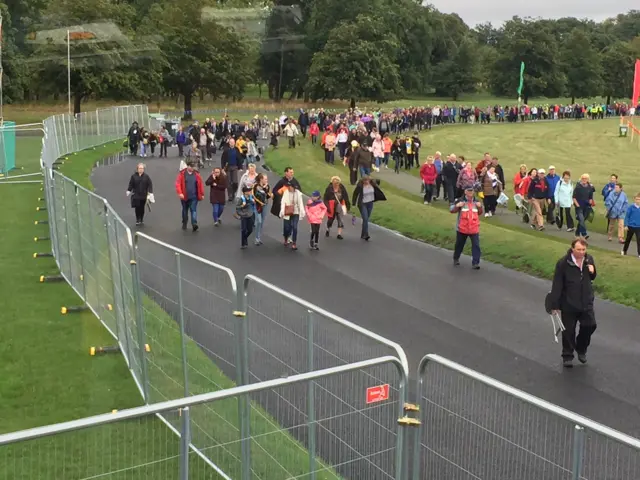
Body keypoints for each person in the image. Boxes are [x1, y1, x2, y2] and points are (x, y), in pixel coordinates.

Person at [547, 238, 597, 368]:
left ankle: (581, 348)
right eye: (579, 249)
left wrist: (593, 271)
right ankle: (567, 356)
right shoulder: (563, 263)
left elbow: (592, 277)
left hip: (586, 301)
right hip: (569, 303)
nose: (582, 252)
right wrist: (555, 305)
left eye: (584, 250)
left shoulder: (589, 259)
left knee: (590, 325)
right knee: (568, 331)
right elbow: (557, 284)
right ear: (572, 249)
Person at [450, 186, 483, 269]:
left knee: (476, 245)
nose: (471, 193)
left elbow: (479, 213)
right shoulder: (460, 200)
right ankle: (456, 258)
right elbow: (452, 210)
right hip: (462, 228)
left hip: (474, 228)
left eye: (472, 191)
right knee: (459, 245)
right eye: (469, 191)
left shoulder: (476, 201)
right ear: (465, 192)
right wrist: (457, 205)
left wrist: (480, 207)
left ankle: (475, 263)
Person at [352, 176, 386, 241]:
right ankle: (366, 234)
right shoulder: (360, 186)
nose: (366, 182)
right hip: (362, 204)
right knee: (365, 218)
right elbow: (355, 194)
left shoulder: (372, 184)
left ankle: (363, 234)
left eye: (367, 180)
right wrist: (354, 203)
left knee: (366, 219)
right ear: (363, 181)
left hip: (370, 203)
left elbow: (378, 181)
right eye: (365, 181)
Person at [175, 161, 205, 232]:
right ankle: (184, 222)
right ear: (187, 166)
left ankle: (194, 223)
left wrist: (202, 194)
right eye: (191, 166)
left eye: (193, 166)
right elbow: (178, 184)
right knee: (185, 210)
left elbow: (200, 185)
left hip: (194, 196)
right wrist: (180, 193)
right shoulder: (182, 174)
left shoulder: (197, 175)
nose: (192, 168)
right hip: (184, 196)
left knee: (193, 210)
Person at [279, 182, 305, 250]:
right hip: (287, 211)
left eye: (290, 186)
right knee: (286, 227)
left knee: (295, 227)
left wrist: (302, 212)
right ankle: (286, 238)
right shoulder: (286, 193)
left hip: (295, 212)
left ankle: (294, 243)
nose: (289, 188)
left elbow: (300, 204)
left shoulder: (298, 194)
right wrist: (282, 211)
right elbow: (283, 202)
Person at [324, 176, 350, 240]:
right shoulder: (329, 189)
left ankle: (339, 234)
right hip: (331, 206)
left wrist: (347, 206)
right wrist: (328, 207)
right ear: (332, 182)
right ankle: (328, 229)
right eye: (335, 183)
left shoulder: (341, 188)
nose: (336, 184)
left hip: (339, 206)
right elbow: (325, 199)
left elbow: (345, 196)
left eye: (337, 183)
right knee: (330, 220)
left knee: (340, 219)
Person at [572, 173, 595, 239]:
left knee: (582, 221)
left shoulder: (590, 187)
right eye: (583, 178)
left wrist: (590, 204)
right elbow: (574, 197)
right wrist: (577, 205)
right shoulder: (578, 187)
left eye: (586, 178)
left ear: (588, 179)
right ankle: (584, 234)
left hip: (586, 206)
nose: (584, 180)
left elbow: (590, 197)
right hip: (579, 206)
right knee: (581, 219)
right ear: (581, 179)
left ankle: (577, 234)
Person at [252, 173, 271, 246]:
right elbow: (254, 195)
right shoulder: (255, 186)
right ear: (261, 179)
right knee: (259, 221)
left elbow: (267, 196)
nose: (266, 180)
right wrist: (260, 202)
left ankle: (259, 238)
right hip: (257, 206)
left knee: (262, 222)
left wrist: (270, 195)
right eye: (265, 179)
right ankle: (256, 238)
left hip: (265, 205)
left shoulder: (267, 186)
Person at [622, 192, 640, 257]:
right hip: (631, 226)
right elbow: (627, 216)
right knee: (628, 239)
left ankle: (639, 254)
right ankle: (624, 251)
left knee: (639, 240)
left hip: (638, 227)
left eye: (639, 199)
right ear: (634, 200)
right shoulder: (631, 207)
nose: (638, 201)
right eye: (636, 199)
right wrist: (626, 225)